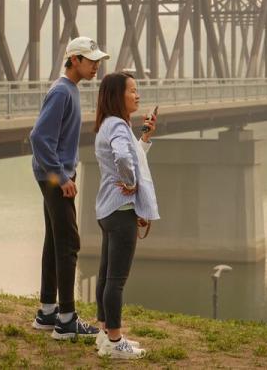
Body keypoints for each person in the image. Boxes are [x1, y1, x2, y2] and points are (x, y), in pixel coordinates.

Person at [29, 37, 109, 341]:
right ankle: (66, 320)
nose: (95, 66)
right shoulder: (63, 91)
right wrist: (62, 177)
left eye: (98, 61)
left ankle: (48, 312)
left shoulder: (68, 89)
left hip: (52, 174)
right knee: (69, 243)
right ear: (74, 59)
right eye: (90, 61)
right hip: (55, 178)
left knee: (54, 242)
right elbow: (38, 137)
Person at [92, 72, 160, 359]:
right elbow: (122, 158)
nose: (138, 95)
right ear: (117, 95)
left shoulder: (109, 124)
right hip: (121, 212)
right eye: (133, 90)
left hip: (108, 209)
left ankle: (105, 334)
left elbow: (130, 155)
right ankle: (116, 341)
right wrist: (131, 184)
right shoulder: (118, 126)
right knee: (117, 279)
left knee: (106, 275)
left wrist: (144, 137)